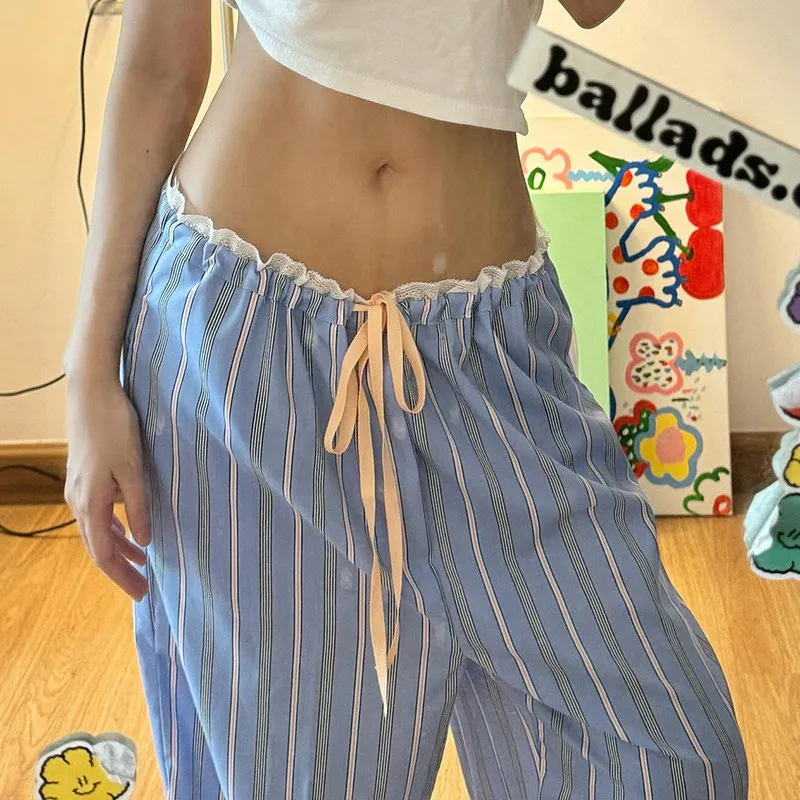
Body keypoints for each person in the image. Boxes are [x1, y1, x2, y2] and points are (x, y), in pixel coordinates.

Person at [62, 0, 749, 796]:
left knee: (673, 760)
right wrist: (89, 372)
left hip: (490, 353)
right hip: (247, 355)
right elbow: (157, 66)